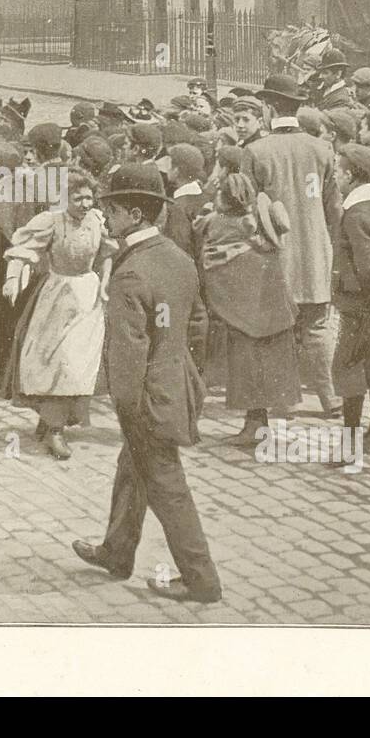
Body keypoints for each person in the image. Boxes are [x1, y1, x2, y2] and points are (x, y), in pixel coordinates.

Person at [72, 164, 221, 604]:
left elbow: (128, 349)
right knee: (132, 469)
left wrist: (126, 402)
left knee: (165, 483)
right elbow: (197, 323)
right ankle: (116, 552)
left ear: (134, 214)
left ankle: (201, 579)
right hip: (175, 382)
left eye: (111, 210)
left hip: (145, 395)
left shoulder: (130, 272)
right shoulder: (177, 257)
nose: (105, 217)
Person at [243, 74, 342, 428]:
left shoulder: (256, 151)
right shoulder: (322, 149)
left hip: (274, 255)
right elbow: (334, 209)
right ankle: (330, 398)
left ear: (269, 108)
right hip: (317, 252)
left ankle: (283, 400)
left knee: (276, 329)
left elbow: (248, 211)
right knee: (316, 325)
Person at [1, 172, 114, 461]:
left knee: (78, 364)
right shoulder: (51, 222)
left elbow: (106, 253)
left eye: (89, 197)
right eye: (78, 198)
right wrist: (13, 278)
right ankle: (53, 427)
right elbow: (24, 250)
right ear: (65, 199)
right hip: (57, 297)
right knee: (54, 360)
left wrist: (104, 281)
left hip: (87, 297)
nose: (85, 203)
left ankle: (55, 424)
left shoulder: (97, 221)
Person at [196, 173, 300, 449]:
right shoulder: (258, 225)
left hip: (242, 312)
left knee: (246, 367)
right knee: (264, 366)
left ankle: (254, 426)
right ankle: (259, 422)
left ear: (224, 199)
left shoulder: (220, 224)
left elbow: (209, 252)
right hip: (269, 307)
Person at [330, 145, 370, 458]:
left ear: (351, 174)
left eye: (338, 170)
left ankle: (350, 445)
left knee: (348, 367)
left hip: (360, 305)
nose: (335, 176)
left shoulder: (356, 213)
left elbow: (369, 266)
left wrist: (366, 299)